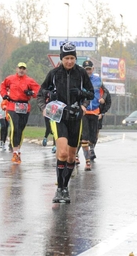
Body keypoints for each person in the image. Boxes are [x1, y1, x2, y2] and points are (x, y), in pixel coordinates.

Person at [37, 42, 94, 203]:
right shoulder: (54, 74)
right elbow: (40, 93)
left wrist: (83, 105)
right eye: (66, 58)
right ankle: (59, 188)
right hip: (59, 117)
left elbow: (90, 94)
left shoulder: (82, 74)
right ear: (61, 59)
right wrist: (43, 107)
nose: (69, 61)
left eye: (72, 58)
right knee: (62, 153)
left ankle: (65, 187)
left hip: (75, 118)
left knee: (70, 156)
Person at [0, 62, 40, 164]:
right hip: (12, 106)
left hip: (24, 107)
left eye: (23, 68)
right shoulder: (10, 78)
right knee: (15, 127)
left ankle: (18, 150)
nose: (21, 70)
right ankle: (15, 152)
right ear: (16, 69)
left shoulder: (29, 80)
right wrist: (4, 95)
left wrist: (31, 93)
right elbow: (3, 86)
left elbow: (38, 91)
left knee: (20, 129)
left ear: (26, 70)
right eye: (20, 68)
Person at [79, 60, 103, 170]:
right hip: (84, 111)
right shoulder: (79, 80)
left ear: (93, 69)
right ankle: (87, 161)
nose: (88, 71)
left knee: (93, 138)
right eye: (86, 69)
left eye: (89, 69)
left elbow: (104, 93)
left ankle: (88, 150)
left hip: (95, 111)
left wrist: (103, 101)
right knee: (85, 136)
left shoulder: (98, 80)